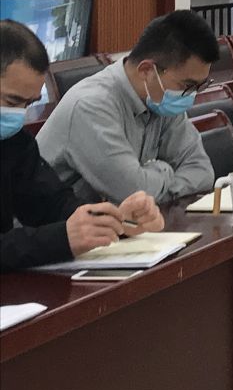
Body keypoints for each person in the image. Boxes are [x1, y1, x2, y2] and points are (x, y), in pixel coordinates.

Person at [2, 20, 164, 271]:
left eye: (29, 103)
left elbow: (51, 204)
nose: (19, 114)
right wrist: (62, 238)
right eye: (13, 101)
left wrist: (111, 221)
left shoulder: (14, 141)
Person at [37, 9, 216, 205]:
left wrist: (156, 186)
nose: (191, 95)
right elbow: (132, 192)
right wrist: (164, 169)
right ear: (147, 70)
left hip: (116, 219)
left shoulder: (161, 99)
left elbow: (202, 171)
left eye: (198, 87)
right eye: (187, 85)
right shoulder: (91, 105)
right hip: (56, 222)